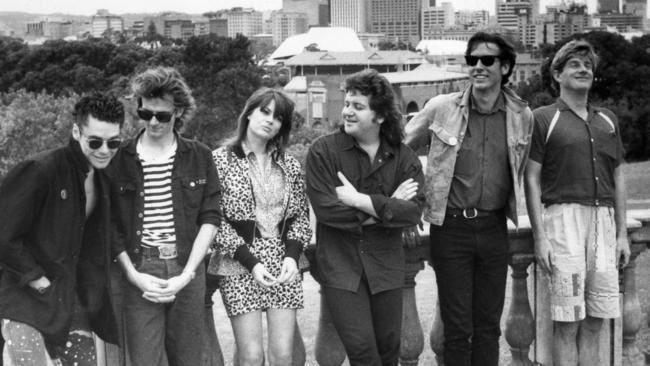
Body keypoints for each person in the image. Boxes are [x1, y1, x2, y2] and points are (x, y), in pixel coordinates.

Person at [403, 32, 534, 366]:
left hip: (494, 228)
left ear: (505, 67)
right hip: (451, 228)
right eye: (472, 59)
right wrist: (408, 203)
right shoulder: (440, 108)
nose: (477, 66)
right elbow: (399, 151)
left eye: (487, 60)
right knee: (457, 329)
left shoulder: (521, 116)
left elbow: (531, 170)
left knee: (489, 327)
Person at [306, 69, 425, 366]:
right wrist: (388, 207)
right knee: (362, 353)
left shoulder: (402, 156)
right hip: (341, 268)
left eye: (357, 107)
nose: (347, 111)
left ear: (380, 116)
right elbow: (328, 211)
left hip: (386, 267)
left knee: (389, 352)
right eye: (347, 104)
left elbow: (413, 211)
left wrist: (360, 200)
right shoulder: (323, 152)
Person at [524, 39, 630, 366]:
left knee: (598, 318)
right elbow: (531, 178)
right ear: (557, 74)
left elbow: (620, 177)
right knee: (567, 321)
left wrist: (623, 233)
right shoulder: (543, 118)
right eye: (574, 64)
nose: (583, 69)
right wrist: (541, 237)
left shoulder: (607, 120)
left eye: (587, 66)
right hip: (563, 222)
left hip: (604, 223)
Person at [106, 66, 221, 366]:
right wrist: (134, 275)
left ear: (179, 112)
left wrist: (188, 274)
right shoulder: (120, 159)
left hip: (186, 265)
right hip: (140, 266)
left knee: (188, 359)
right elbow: (111, 226)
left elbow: (210, 219)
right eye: (146, 114)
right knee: (144, 360)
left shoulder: (200, 155)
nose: (154, 122)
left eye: (163, 115)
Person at [0, 92, 124, 365]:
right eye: (95, 141)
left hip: (70, 301)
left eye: (113, 142)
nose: (104, 149)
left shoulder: (105, 177)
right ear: (76, 131)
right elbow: (4, 234)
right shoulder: (40, 169)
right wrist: (37, 280)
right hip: (25, 301)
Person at [207, 88, 312, 366]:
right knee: (251, 356)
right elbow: (214, 219)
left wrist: (291, 255)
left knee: (283, 356)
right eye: (265, 112)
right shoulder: (220, 161)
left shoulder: (289, 165)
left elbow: (301, 215)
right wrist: (251, 262)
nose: (270, 121)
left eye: (278, 118)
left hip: (283, 264)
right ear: (250, 112)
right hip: (238, 263)